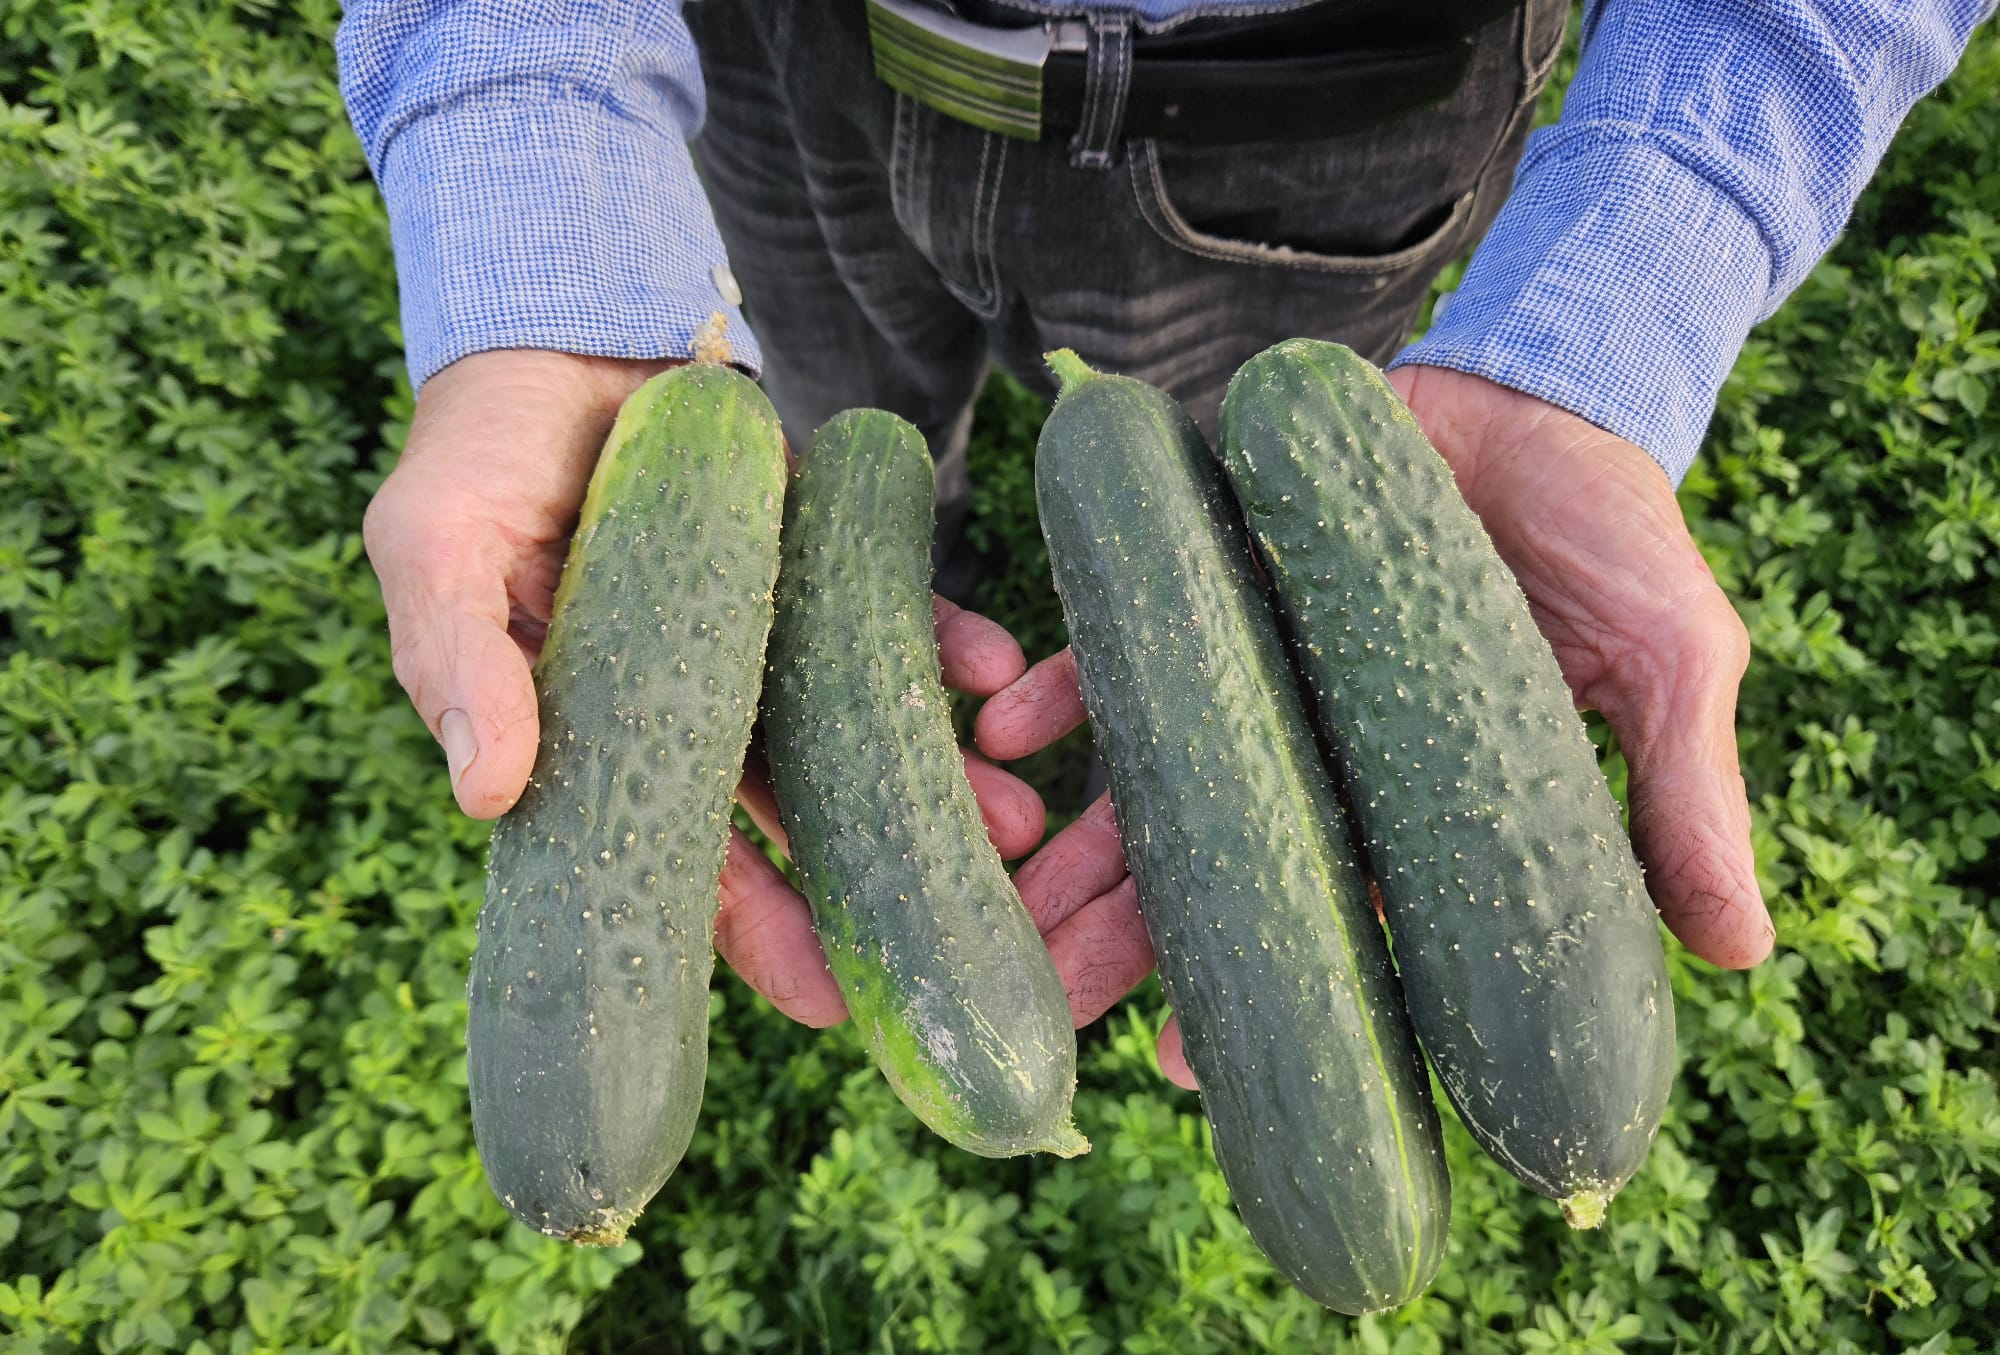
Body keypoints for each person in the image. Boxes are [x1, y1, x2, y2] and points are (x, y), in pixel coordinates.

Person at [336, 0, 1990, 1086]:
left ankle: (954, 533)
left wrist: (1638, 271)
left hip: (1316, 109)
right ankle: (917, 532)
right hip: (769, 54)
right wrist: (535, 191)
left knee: (1211, 524)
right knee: (842, 424)